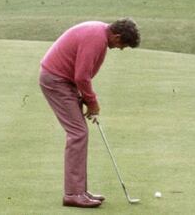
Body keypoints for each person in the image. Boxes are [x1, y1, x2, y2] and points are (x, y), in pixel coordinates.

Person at [39, 19, 140, 209]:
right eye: (122, 45)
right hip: (56, 81)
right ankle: (73, 194)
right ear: (116, 36)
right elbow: (81, 76)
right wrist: (92, 102)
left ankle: (79, 191)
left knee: (79, 132)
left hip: (62, 80)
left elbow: (79, 75)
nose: (120, 49)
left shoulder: (99, 32)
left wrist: (85, 97)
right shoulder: (96, 38)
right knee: (78, 133)